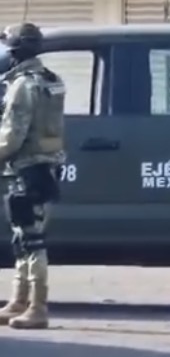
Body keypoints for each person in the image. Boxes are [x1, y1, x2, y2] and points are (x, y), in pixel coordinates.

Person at [0, 23, 65, 330]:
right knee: (23, 236)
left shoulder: (22, 86)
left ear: (15, 52)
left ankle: (37, 307)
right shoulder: (51, 80)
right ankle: (18, 301)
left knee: (32, 239)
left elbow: (11, 136)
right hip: (43, 165)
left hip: (26, 168)